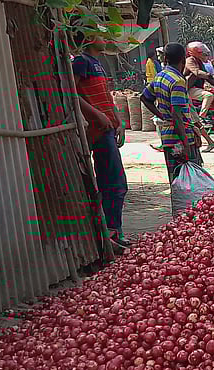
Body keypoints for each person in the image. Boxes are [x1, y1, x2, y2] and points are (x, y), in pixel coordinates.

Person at [71, 33, 129, 250]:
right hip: (97, 130)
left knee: (114, 182)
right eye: (99, 35)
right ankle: (111, 232)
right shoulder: (81, 62)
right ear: (88, 38)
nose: (104, 39)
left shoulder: (97, 63)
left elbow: (106, 96)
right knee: (114, 182)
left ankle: (114, 231)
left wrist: (118, 121)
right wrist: (96, 115)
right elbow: (72, 93)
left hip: (108, 128)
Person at [141, 42, 201, 182]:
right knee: (191, 181)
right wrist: (186, 144)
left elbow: (145, 98)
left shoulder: (160, 77)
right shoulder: (178, 81)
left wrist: (162, 116)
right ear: (183, 59)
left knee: (175, 179)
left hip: (167, 137)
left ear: (166, 59)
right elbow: (176, 115)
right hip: (181, 137)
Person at [184, 41, 214, 152]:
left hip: (192, 90)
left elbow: (208, 78)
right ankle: (203, 117)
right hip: (185, 91)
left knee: (196, 122)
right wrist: (209, 76)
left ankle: (210, 142)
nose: (205, 56)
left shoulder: (199, 62)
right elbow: (197, 72)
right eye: (203, 53)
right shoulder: (190, 60)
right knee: (208, 96)